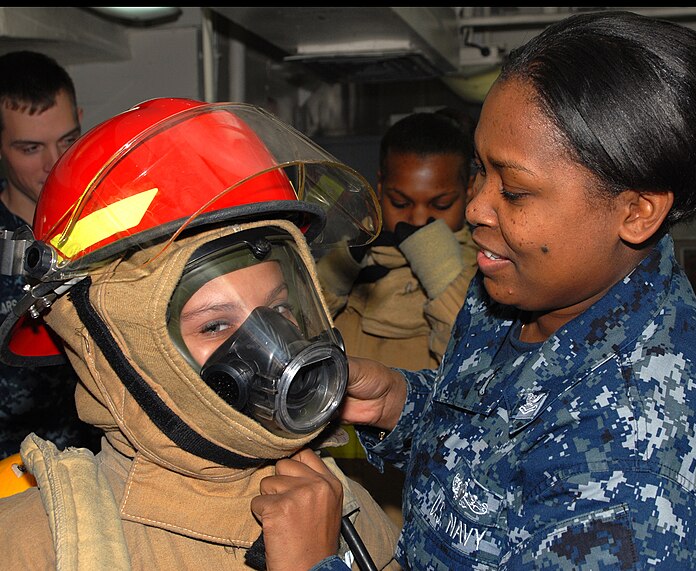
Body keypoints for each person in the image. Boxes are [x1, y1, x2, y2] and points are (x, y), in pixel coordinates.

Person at [251, 10, 696, 569]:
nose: (478, 209)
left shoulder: (635, 480)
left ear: (635, 211)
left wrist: (312, 563)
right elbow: (507, 431)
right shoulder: (527, 286)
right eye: (480, 171)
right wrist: (405, 404)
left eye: (514, 190)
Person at [0, 97, 400, 570]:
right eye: (215, 324)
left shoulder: (336, 500)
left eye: (279, 308)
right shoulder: (40, 544)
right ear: (116, 351)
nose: (274, 346)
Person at [316, 110, 479, 526]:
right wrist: (334, 271)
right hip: (340, 504)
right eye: (400, 202)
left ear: (470, 190)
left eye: (441, 205)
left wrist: (446, 276)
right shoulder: (349, 270)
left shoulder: (496, 280)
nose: (419, 220)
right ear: (379, 188)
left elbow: (479, 389)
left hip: (429, 514)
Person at [0, 50, 101, 458]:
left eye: (68, 140)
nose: (54, 163)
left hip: (104, 470)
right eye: (30, 148)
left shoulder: (111, 224)